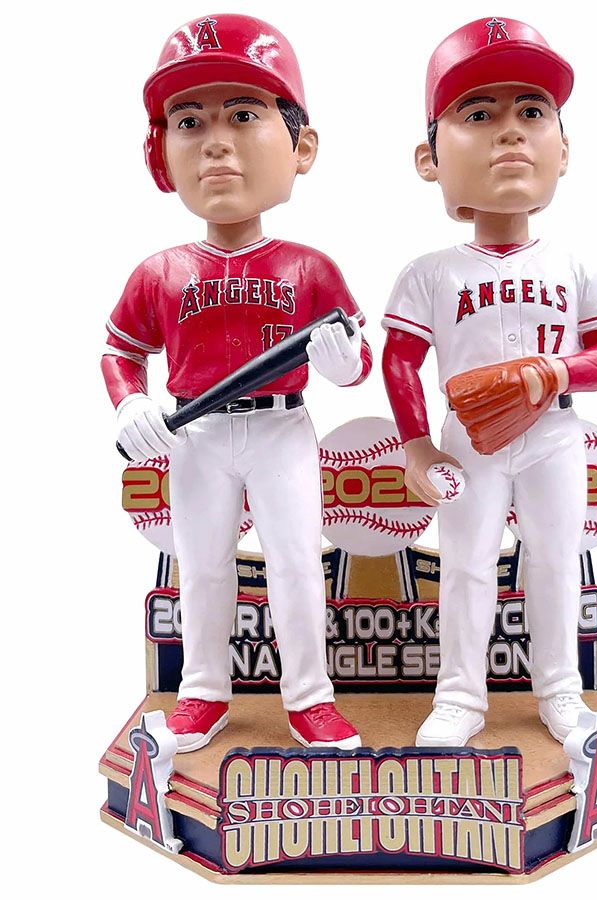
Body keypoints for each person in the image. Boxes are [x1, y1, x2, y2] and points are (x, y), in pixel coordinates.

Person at [102, 14, 371, 752]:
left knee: (296, 563)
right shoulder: (161, 271)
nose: (216, 142)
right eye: (190, 121)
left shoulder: (308, 266)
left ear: (299, 145)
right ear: (162, 153)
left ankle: (310, 698)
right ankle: (202, 692)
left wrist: (339, 359)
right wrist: (129, 400)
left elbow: (356, 364)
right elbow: (121, 350)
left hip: (282, 428)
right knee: (202, 568)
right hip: (197, 432)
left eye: (244, 115)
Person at [381, 17, 597, 747]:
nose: (511, 131)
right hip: (470, 439)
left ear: (563, 149)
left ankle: (560, 691)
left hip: (554, 431)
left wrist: (558, 370)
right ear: (430, 158)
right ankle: (460, 696)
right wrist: (417, 445)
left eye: (531, 110)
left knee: (554, 562)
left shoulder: (575, 266)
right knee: (466, 565)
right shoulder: (431, 272)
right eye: (480, 114)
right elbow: (400, 360)